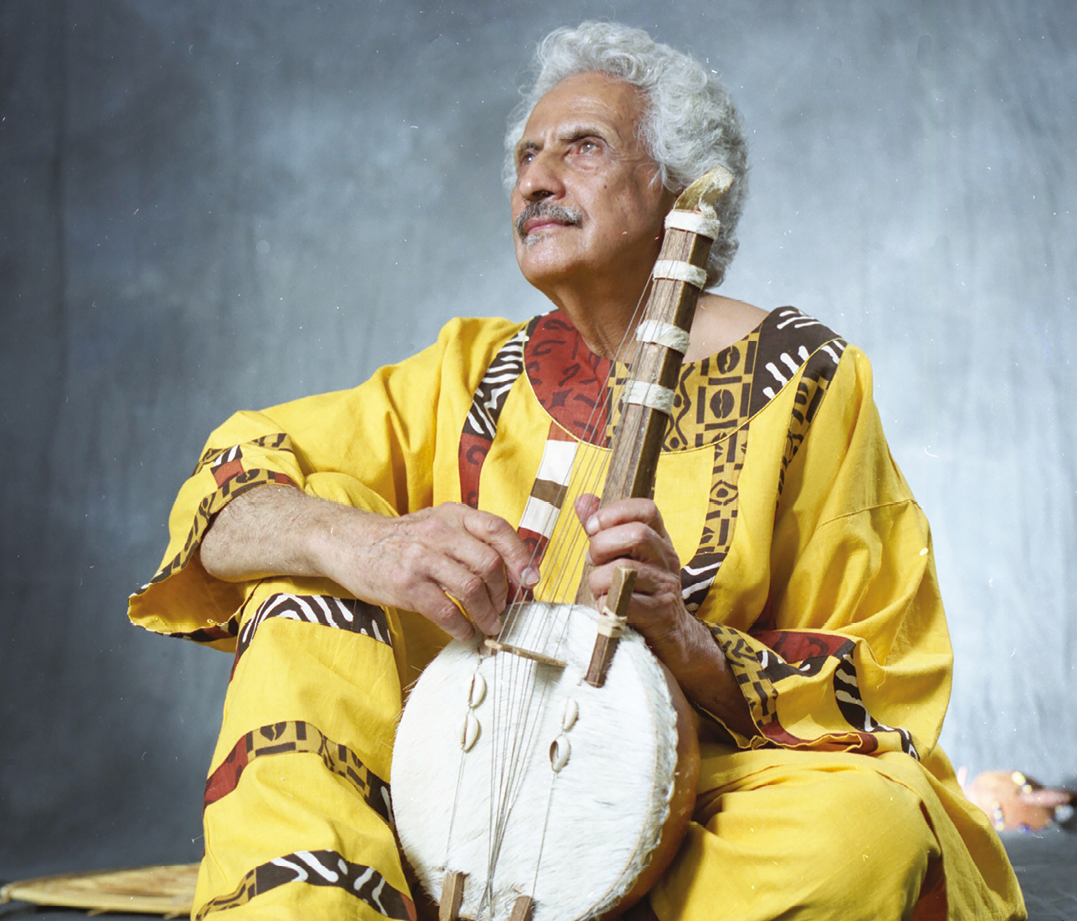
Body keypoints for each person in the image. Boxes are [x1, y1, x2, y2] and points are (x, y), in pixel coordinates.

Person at [129, 21, 1026, 921]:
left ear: (677, 189)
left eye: (581, 147)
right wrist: (369, 544)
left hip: (703, 803)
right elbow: (224, 499)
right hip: (469, 799)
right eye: (526, 155)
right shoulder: (470, 371)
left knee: (860, 831)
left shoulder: (804, 378)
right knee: (303, 574)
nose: (535, 177)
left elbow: (877, 682)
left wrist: (684, 636)